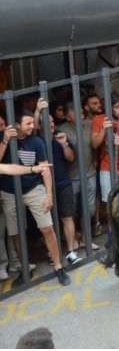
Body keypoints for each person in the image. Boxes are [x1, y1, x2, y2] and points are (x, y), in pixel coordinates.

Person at [1, 112, 69, 286]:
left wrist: (48, 195)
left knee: (47, 228)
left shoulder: (37, 142)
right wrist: (5, 141)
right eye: (28, 123)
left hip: (33, 189)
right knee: (16, 234)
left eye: (33, 123)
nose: (32, 127)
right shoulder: (4, 139)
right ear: (17, 124)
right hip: (9, 192)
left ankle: (59, 266)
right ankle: (25, 270)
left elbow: (45, 168)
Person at [58, 102, 98, 251]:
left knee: (89, 209)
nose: (82, 115)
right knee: (72, 211)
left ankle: (85, 240)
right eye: (77, 113)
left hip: (90, 173)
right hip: (71, 177)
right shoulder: (61, 130)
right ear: (68, 117)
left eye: (82, 112)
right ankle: (73, 239)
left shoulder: (89, 124)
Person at [46, 116, 82, 266]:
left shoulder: (60, 137)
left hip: (63, 183)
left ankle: (71, 252)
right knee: (48, 223)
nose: (52, 124)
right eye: (48, 123)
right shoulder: (37, 140)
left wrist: (64, 145)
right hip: (44, 186)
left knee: (67, 217)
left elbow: (71, 158)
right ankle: (52, 253)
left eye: (52, 121)